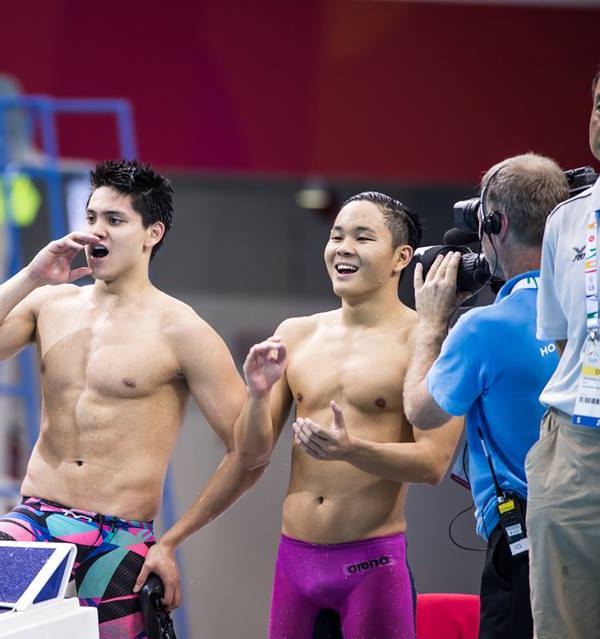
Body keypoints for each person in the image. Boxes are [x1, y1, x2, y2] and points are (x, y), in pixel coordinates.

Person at [0, 159, 262, 638]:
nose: (95, 231)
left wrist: (171, 542)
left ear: (153, 233)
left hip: (121, 536)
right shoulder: (51, 303)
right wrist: (31, 275)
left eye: (114, 220)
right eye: (90, 218)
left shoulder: (183, 331)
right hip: (38, 516)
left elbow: (250, 454)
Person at [237, 192, 463, 638]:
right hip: (293, 561)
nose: (343, 247)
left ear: (401, 257)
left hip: (372, 563)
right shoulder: (295, 334)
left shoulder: (425, 339)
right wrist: (258, 396)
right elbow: (250, 453)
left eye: (362, 237)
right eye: (337, 235)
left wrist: (352, 450)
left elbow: (434, 464)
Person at [403, 154, 568, 638]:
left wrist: (432, 324)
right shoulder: (585, 310)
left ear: (496, 223)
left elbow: (421, 411)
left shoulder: (483, 327)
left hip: (523, 543)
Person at [525, 67, 600, 639]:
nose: (599, 115)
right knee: (564, 624)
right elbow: (559, 339)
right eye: (598, 102)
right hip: (575, 449)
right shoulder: (565, 220)